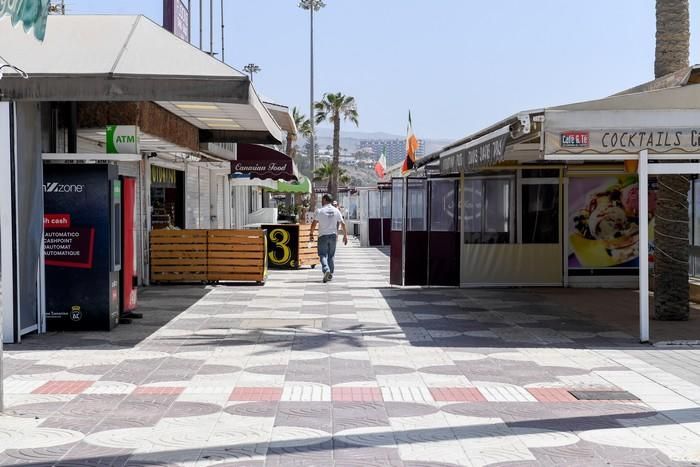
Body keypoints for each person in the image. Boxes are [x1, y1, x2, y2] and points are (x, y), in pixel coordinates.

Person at [310, 194, 348, 283]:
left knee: (323, 255)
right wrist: (345, 236)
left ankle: (326, 270)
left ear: (325, 200)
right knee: (331, 256)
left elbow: (314, 223)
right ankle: (330, 273)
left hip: (323, 236)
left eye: (322, 200)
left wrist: (311, 233)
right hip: (333, 236)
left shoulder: (320, 211)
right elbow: (343, 223)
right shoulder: (336, 210)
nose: (321, 202)